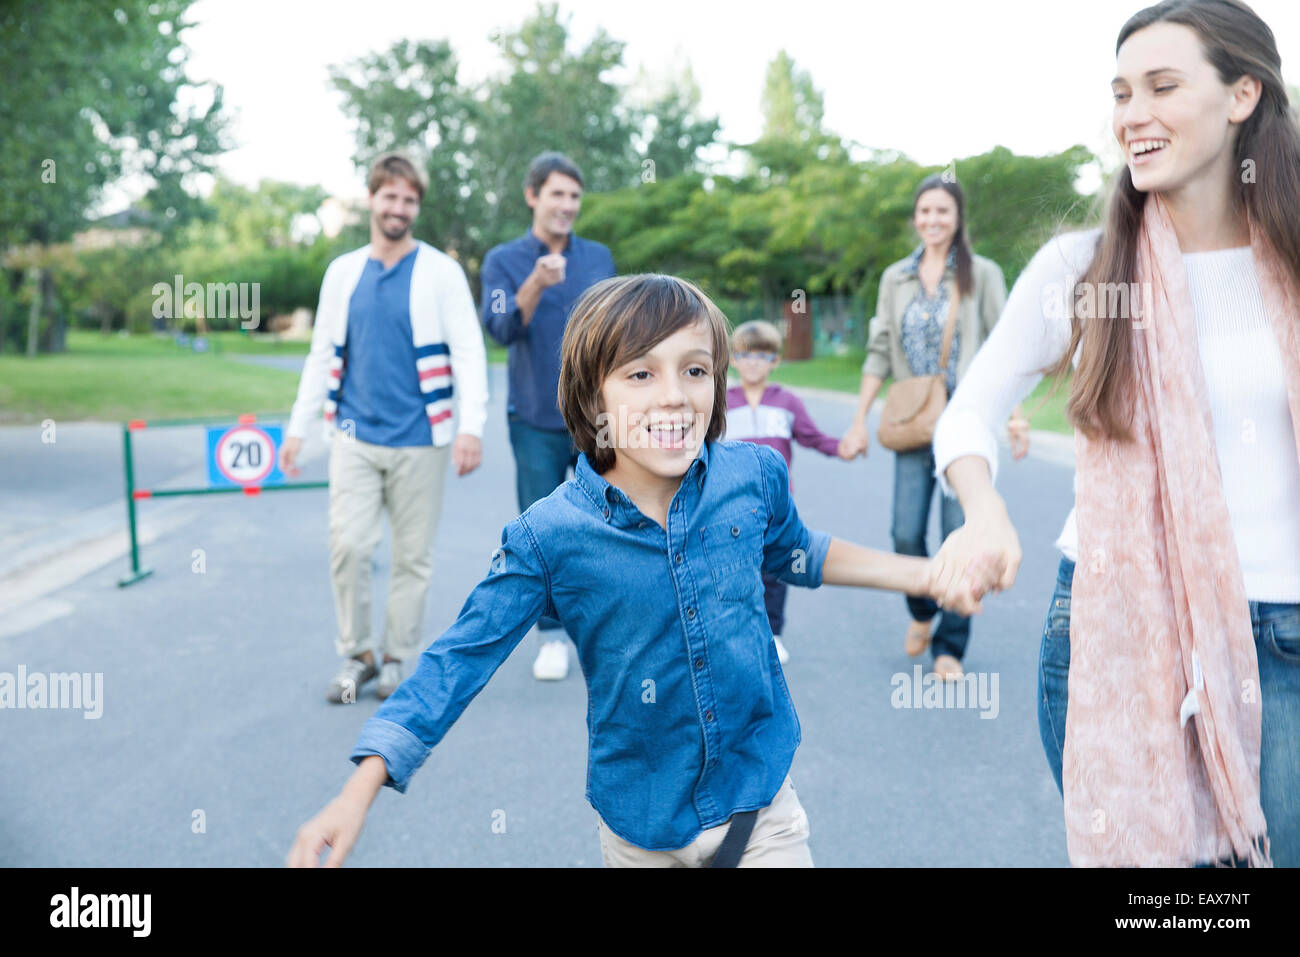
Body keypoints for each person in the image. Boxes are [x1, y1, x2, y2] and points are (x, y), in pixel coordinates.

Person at [286, 274, 1002, 868]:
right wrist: (361, 787)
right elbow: (456, 661)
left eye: (695, 370)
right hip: (638, 834)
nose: (674, 395)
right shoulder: (549, 535)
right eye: (640, 373)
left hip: (762, 812)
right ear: (594, 396)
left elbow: (798, 552)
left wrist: (926, 572)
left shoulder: (751, 474)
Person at [930, 0, 1300, 867]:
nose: (1133, 114)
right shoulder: (1082, 270)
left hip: (1286, 635)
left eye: (1162, 87)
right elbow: (969, 412)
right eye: (1122, 92)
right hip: (1117, 630)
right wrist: (983, 512)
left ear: (1243, 94)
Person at [281, 153, 488, 704]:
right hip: (354, 435)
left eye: (409, 199)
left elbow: (469, 351)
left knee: (412, 557)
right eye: (390, 196)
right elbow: (321, 352)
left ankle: (397, 657)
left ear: (417, 206)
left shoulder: (439, 272)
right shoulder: (343, 272)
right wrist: (298, 428)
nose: (399, 208)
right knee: (348, 545)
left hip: (422, 437)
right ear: (372, 199)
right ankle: (359, 653)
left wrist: (472, 427)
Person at [839, 175, 1025, 682]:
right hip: (911, 421)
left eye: (942, 211)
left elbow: (1009, 347)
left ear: (958, 217)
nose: (932, 220)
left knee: (958, 532)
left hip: (966, 425)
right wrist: (859, 420)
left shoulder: (981, 274)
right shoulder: (894, 278)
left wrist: (1016, 415)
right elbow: (879, 349)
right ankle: (923, 609)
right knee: (904, 532)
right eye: (924, 212)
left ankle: (950, 646)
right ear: (915, 218)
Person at [480, 151, 616, 682]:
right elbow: (500, 329)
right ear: (532, 196)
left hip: (597, 418)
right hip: (535, 415)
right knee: (545, 529)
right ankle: (552, 637)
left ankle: (607, 631)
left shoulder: (599, 257)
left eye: (575, 197)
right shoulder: (503, 260)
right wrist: (535, 282)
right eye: (557, 194)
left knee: (608, 524)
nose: (567, 205)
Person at [726, 319, 854, 664]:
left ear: (774, 362)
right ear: (734, 360)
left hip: (774, 502)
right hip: (728, 501)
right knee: (734, 568)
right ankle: (733, 635)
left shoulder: (787, 401)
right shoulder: (720, 402)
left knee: (773, 569)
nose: (753, 362)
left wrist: (843, 447)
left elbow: (812, 436)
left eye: (762, 355)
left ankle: (772, 633)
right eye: (745, 354)